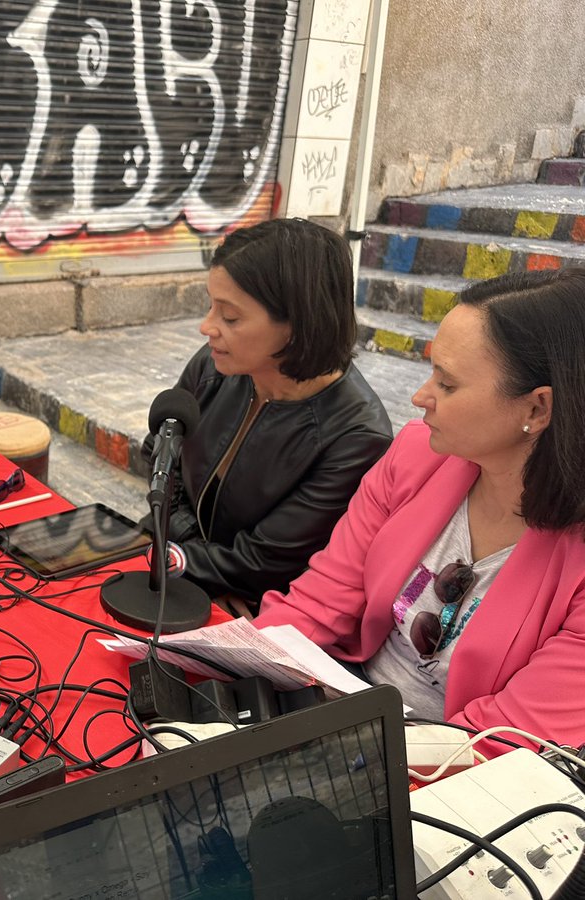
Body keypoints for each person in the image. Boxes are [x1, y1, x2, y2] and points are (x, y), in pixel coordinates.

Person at [258, 269, 585, 752]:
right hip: (343, 702)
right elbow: (320, 602)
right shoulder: (416, 458)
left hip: (449, 770)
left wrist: (348, 756)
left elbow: (503, 738)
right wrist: (228, 662)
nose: (420, 397)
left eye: (448, 384)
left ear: (537, 410)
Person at [143, 218, 392, 612]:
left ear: (297, 323)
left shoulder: (356, 437)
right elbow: (160, 455)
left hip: (256, 608)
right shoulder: (214, 367)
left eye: (230, 316)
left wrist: (176, 549)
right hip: (179, 565)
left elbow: (262, 562)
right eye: (211, 307)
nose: (206, 327)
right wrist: (183, 543)